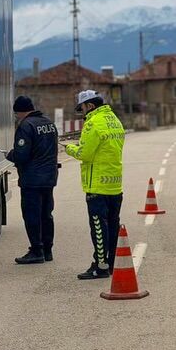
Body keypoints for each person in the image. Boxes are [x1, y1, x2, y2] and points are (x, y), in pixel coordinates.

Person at [64, 89, 126, 280]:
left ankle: (100, 266)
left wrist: (69, 148)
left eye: (82, 108)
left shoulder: (93, 123)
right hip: (115, 184)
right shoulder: (114, 120)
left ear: (90, 106)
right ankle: (112, 263)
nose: (82, 113)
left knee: (99, 228)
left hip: (97, 185)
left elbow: (85, 154)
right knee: (113, 226)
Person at [5, 96, 59, 265]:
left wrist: (9, 154)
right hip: (49, 177)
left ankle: (36, 250)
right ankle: (47, 250)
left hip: (32, 179)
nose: (16, 117)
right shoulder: (49, 123)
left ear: (20, 111)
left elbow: (21, 155)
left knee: (32, 216)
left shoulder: (26, 126)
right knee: (46, 214)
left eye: (16, 114)